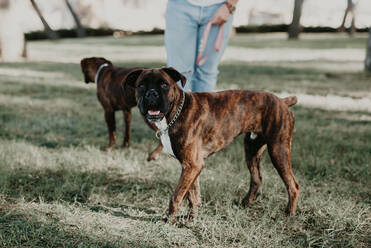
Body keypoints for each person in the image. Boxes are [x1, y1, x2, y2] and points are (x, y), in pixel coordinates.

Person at [165, 0, 238, 92]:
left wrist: (229, 5)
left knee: (206, 74)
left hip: (219, 6)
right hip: (180, 6)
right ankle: (181, 106)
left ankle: (203, 107)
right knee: (178, 73)